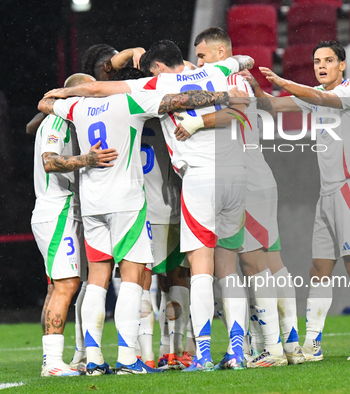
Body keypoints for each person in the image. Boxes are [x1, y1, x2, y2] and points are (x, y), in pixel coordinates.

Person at [44, 41, 254, 372]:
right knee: (219, 269)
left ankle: (104, 356)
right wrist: (219, 90)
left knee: (111, 279)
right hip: (225, 179)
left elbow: (82, 91)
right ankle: (220, 350)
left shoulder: (91, 104)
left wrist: (59, 93)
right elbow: (240, 63)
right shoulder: (213, 71)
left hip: (110, 199)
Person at [260, 40, 350, 361]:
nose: (321, 65)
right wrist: (252, 88)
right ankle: (313, 345)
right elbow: (273, 106)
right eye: (317, 60)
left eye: (329, 60)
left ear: (342, 65)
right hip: (327, 193)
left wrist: (284, 83)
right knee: (319, 268)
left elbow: (317, 96)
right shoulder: (315, 99)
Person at [191, 27, 304, 367]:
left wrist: (197, 123)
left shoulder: (229, 84)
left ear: (220, 54)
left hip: (246, 180)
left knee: (255, 264)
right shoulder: (237, 78)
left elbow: (236, 112)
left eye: (202, 55)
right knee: (273, 261)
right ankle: (291, 344)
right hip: (260, 176)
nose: (198, 63)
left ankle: (271, 347)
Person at [32, 73, 118, 376]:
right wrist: (87, 159)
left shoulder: (69, 121)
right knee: (66, 285)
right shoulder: (57, 122)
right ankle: (53, 363)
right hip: (57, 211)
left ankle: (66, 357)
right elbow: (50, 161)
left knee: (63, 285)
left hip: (68, 211)